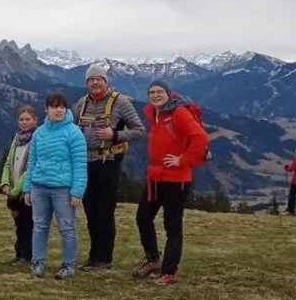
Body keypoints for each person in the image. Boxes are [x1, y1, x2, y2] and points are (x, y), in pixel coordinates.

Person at [133, 80, 209, 285]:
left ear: (168, 94)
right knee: (143, 218)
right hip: (155, 177)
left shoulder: (179, 113)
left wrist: (182, 160)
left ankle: (169, 271)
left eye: (159, 92)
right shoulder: (155, 114)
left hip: (176, 179)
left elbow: (200, 137)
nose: (155, 95)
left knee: (172, 226)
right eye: (152, 92)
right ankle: (153, 260)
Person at [73, 61, 145, 271]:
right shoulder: (81, 104)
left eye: (99, 79)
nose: (95, 82)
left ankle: (105, 258)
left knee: (105, 211)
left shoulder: (121, 102)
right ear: (87, 83)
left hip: (109, 163)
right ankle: (93, 255)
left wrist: (115, 135)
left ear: (106, 81)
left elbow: (140, 130)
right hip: (85, 162)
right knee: (90, 211)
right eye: (91, 79)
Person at [22, 93, 88, 280]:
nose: (58, 110)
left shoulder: (74, 132)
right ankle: (37, 263)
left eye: (62, 106)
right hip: (39, 187)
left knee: (67, 228)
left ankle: (68, 265)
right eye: (54, 106)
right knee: (40, 226)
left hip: (63, 189)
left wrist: (77, 191)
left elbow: (80, 165)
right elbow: (32, 162)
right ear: (47, 109)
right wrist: (27, 188)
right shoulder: (39, 133)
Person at [0, 106, 38, 266]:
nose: (24, 122)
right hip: (14, 189)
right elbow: (9, 162)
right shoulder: (17, 138)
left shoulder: (37, 139)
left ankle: (27, 255)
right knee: (19, 223)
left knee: (28, 224)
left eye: (27, 119)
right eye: (21, 119)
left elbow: (31, 168)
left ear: (35, 121)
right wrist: (5, 183)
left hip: (28, 191)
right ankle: (19, 253)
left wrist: (16, 191)